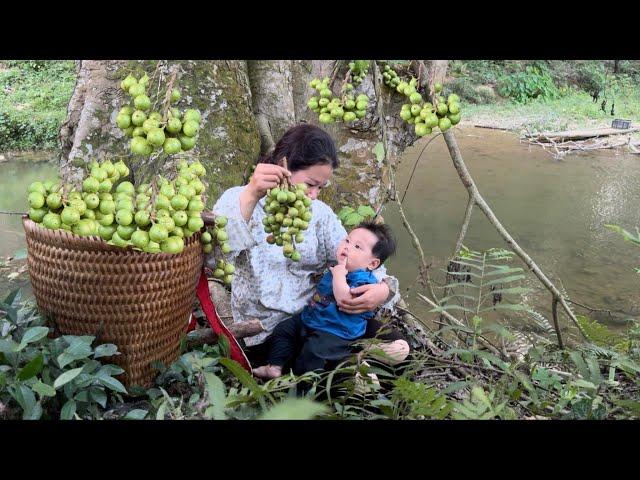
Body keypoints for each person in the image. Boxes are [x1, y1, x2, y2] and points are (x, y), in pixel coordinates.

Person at [209, 123, 410, 367]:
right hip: (268, 332)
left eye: (320, 188)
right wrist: (252, 195)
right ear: (284, 166)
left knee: (399, 347)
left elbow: (356, 259)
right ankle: (346, 368)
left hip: (322, 318)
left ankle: (352, 364)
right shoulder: (238, 198)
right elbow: (215, 262)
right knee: (313, 360)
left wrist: (383, 291)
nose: (314, 195)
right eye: (310, 184)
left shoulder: (319, 215)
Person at [252, 221, 397, 379]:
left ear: (372, 263)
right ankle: (274, 366)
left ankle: (301, 391)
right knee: (283, 330)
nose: (347, 247)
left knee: (313, 354)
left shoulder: (364, 281)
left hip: (336, 332)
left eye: (357, 247)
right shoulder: (337, 267)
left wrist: (339, 275)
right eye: (347, 240)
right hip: (310, 320)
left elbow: (345, 299)